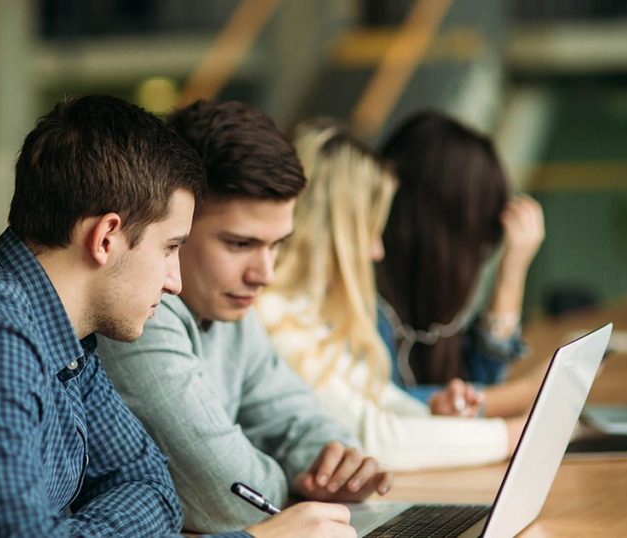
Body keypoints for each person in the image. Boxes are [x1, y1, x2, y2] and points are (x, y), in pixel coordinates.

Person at [0, 95, 355, 538]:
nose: (175, 280)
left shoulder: (64, 335)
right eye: (169, 248)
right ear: (107, 237)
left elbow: (151, 484)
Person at [98, 100, 391, 534]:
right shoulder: (138, 317)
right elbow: (227, 498)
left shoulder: (230, 307)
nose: (264, 274)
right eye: (239, 244)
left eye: (276, 245)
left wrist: (334, 461)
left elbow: (298, 419)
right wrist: (296, 478)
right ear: (174, 225)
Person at [259, 119, 526, 471]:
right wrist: (514, 433)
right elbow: (373, 438)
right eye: (369, 231)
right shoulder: (271, 313)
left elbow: (382, 402)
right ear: (334, 232)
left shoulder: (311, 311)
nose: (377, 252)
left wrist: (435, 416)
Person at [375, 111, 546, 418]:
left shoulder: (428, 314)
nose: (475, 263)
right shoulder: (364, 303)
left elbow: (476, 383)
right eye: (476, 246)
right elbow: (380, 410)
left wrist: (512, 272)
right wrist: (523, 394)